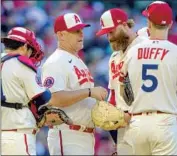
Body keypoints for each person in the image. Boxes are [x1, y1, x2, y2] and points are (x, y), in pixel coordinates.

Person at [41, 13, 108, 155]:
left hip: (85, 136)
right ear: (61, 35)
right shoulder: (56, 61)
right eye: (76, 31)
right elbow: (54, 98)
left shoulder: (77, 60)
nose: (81, 34)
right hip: (68, 135)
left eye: (82, 30)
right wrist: (89, 92)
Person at [118, 1, 177, 155]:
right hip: (165, 120)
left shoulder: (132, 51)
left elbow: (124, 92)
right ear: (170, 24)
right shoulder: (175, 52)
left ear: (149, 23)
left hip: (138, 122)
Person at [96, 8, 149, 155]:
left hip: (144, 122)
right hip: (124, 128)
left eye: (111, 32)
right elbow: (113, 95)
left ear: (125, 25)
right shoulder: (114, 57)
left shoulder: (144, 47)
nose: (109, 37)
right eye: (106, 33)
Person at [1, 27, 51, 155]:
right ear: (24, 46)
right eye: (30, 50)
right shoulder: (20, 62)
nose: (31, 55)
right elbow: (42, 98)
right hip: (16, 136)